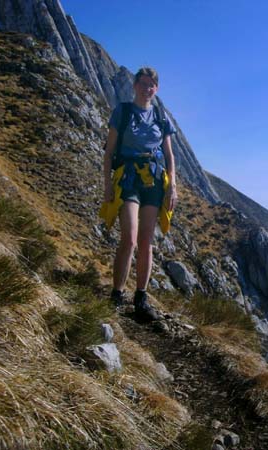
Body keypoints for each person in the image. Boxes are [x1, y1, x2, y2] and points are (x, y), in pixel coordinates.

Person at [102, 67, 177, 322]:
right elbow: (109, 152)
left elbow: (169, 155)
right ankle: (117, 294)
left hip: (154, 181)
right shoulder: (122, 113)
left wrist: (172, 186)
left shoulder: (160, 116)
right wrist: (107, 184)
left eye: (152, 85)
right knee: (130, 238)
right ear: (135, 85)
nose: (147, 89)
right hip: (129, 179)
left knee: (147, 242)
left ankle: (141, 297)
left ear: (156, 89)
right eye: (143, 84)